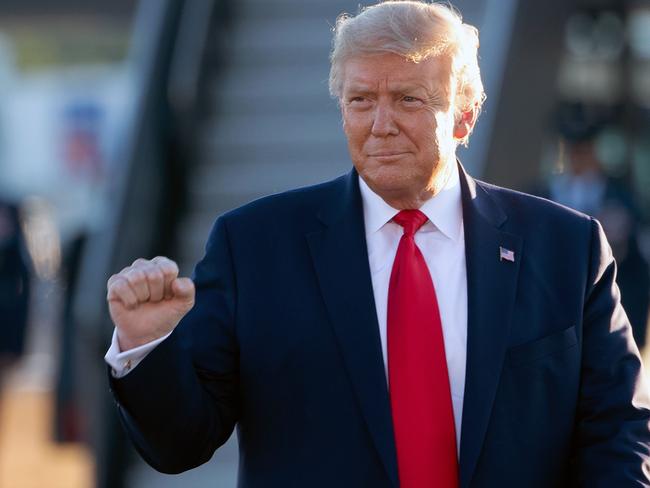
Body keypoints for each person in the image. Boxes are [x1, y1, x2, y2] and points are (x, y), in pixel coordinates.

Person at [105, 2, 650, 487]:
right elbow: (181, 446)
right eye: (361, 99)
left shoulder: (566, 248)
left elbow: (616, 428)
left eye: (409, 99)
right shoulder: (254, 247)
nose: (380, 124)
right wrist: (148, 348)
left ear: (464, 115)